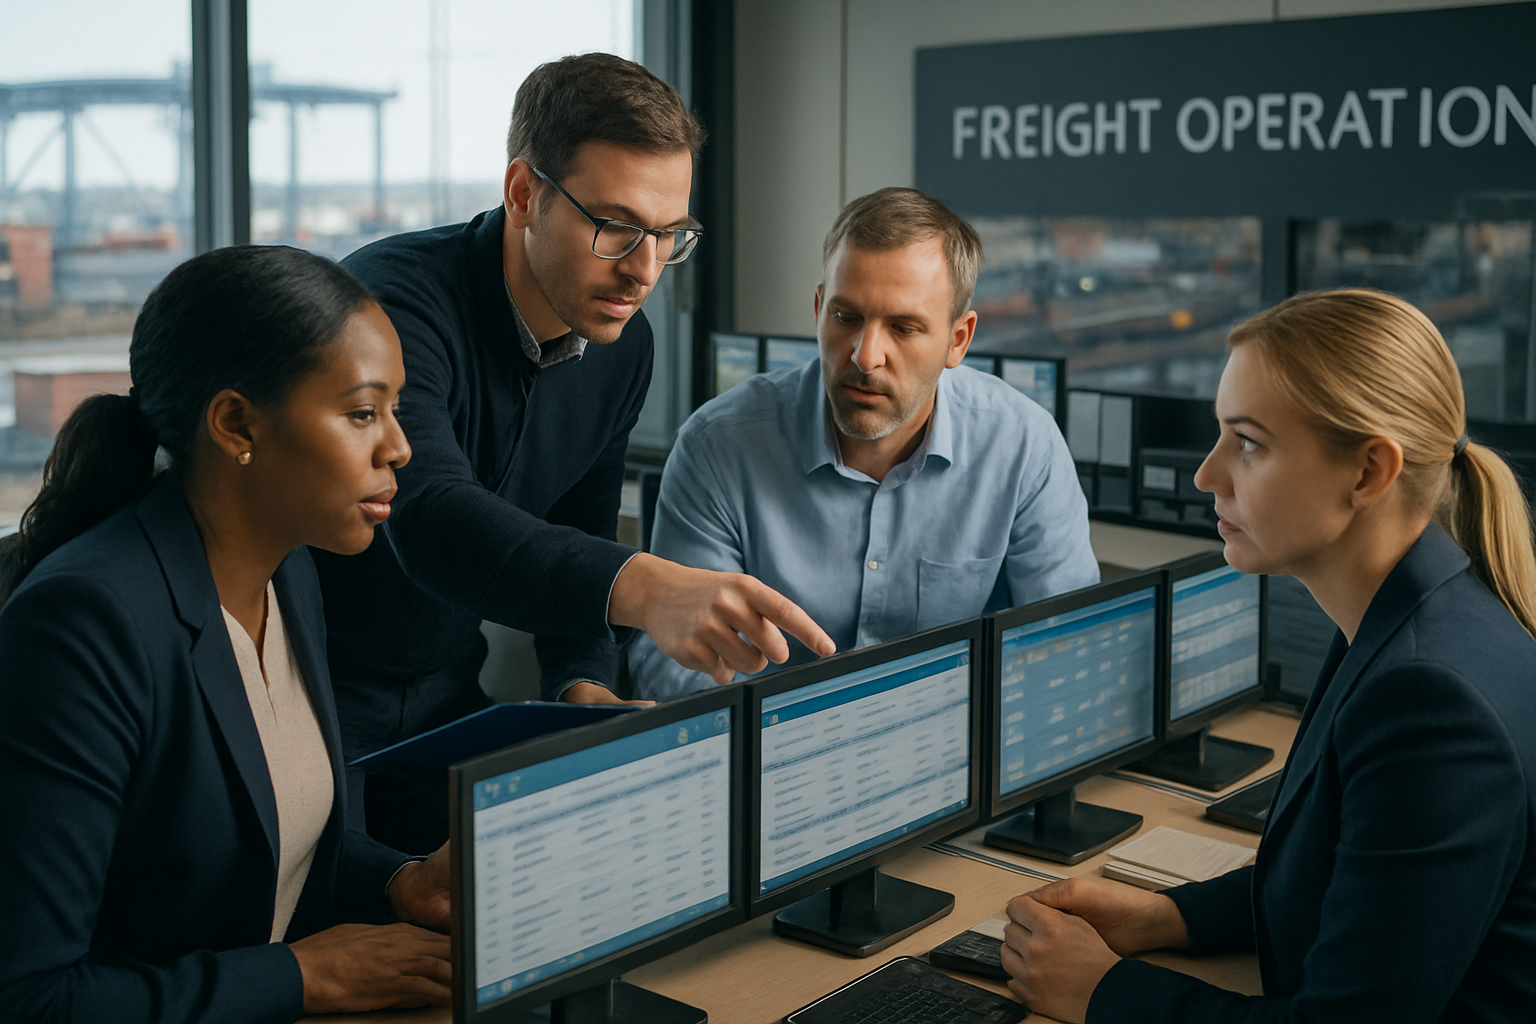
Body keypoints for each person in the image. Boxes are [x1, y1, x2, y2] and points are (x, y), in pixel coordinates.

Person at [314, 52, 833, 853]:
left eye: (669, 235)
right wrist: (646, 586)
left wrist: (579, 685)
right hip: (305, 702)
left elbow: (580, 533)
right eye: (616, 227)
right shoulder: (388, 306)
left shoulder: (623, 346)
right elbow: (430, 517)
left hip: (448, 703)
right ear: (524, 193)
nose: (644, 269)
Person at [998, 289, 1536, 1023]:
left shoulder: (1430, 698)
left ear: (1369, 473)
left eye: (1247, 442)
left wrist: (1103, 992)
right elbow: (1353, 877)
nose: (1207, 474)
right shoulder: (1411, 618)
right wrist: (1168, 916)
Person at [0, 246, 458, 1024]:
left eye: (396, 409)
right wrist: (302, 978)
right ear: (236, 424)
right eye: (361, 413)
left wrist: (396, 881)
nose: (399, 448)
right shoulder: (85, 625)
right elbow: (29, 996)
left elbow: (263, 836)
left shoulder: (289, 572)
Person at [627, 187, 1098, 700]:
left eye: (904, 327)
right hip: (770, 755)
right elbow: (675, 673)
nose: (866, 355)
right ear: (818, 309)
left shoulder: (1023, 448)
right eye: (846, 317)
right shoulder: (717, 447)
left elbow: (1068, 656)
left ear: (957, 340)